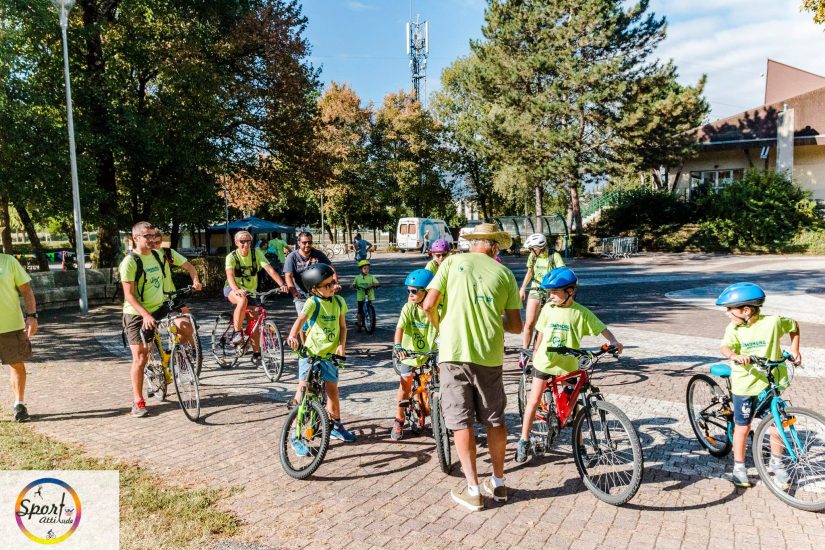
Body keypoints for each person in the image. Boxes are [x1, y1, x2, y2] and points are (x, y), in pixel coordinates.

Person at [422, 223, 523, 511]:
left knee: (461, 421)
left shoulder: (451, 263)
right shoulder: (505, 274)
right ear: (495, 246)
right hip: (489, 355)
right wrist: (492, 317)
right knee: (494, 419)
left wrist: (441, 327)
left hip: (453, 353)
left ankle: (473, 489)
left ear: (473, 242)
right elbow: (516, 325)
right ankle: (499, 483)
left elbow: (428, 305)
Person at [514, 267, 623, 464]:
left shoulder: (580, 312)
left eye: (555, 292)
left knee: (575, 407)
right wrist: (536, 351)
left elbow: (601, 328)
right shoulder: (548, 309)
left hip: (569, 365)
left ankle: (580, 446)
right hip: (545, 362)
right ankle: (523, 440)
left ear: (570, 291)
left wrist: (614, 341)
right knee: (534, 400)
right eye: (550, 292)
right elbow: (540, 333)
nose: (551, 296)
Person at [715, 282, 801, 488]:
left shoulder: (773, 322)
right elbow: (725, 347)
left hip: (769, 383)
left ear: (746, 310)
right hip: (744, 385)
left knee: (776, 424)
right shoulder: (733, 328)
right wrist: (735, 356)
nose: (727, 313)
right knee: (743, 427)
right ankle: (739, 468)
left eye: (730, 309)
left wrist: (795, 349)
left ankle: (777, 463)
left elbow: (794, 326)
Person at [285, 263, 357, 443]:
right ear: (314, 289)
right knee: (302, 390)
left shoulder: (339, 302)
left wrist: (341, 346)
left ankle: (336, 426)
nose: (333, 287)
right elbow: (301, 320)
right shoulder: (312, 302)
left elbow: (343, 327)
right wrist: (292, 335)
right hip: (311, 354)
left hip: (330, 355)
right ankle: (295, 433)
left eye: (333, 282)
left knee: (333, 392)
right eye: (327, 285)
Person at [119, 222, 177, 417]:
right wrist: (145, 315)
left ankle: (177, 365)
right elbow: (129, 295)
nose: (152, 240)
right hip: (136, 314)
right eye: (147, 236)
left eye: (153, 235)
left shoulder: (157, 255)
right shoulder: (130, 262)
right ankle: (138, 401)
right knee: (140, 358)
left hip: (158, 308)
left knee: (184, 324)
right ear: (136, 238)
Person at [225, 231, 288, 358]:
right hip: (232, 289)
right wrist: (236, 289)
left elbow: (269, 269)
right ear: (236, 243)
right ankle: (237, 333)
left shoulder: (256, 253)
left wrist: (282, 284)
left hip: (251, 291)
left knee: (255, 322)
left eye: (248, 241)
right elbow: (230, 275)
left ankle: (257, 353)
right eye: (242, 242)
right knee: (242, 300)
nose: (245, 244)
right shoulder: (231, 256)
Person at [391, 269, 438, 441]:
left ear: (427, 292)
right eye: (408, 290)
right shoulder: (408, 307)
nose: (410, 294)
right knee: (405, 385)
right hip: (410, 352)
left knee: (443, 380)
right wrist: (398, 346)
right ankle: (399, 420)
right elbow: (400, 328)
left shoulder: (436, 307)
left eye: (414, 291)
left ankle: (441, 415)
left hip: (431, 350)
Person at [0, 253, 38, 422]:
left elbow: (26, 290)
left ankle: (19, 404)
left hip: (11, 326)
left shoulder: (8, 261)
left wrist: (32, 316)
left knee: (16, 364)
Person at [151, 235, 202, 350]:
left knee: (188, 325)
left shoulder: (168, 253)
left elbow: (190, 267)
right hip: (151, 301)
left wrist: (196, 281)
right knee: (148, 337)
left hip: (170, 298)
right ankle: (151, 360)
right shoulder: (142, 257)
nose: (154, 245)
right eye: (151, 243)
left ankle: (191, 351)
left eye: (157, 242)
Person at [519, 233, 565, 350]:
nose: (530, 250)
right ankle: (524, 351)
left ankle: (539, 350)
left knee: (545, 325)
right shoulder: (533, 256)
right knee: (529, 323)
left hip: (551, 292)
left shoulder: (554, 256)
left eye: (532, 248)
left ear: (540, 247)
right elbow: (530, 272)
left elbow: (562, 273)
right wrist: (523, 288)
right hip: (535, 289)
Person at [283, 232, 336, 315]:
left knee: (321, 319)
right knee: (304, 321)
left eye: (310, 242)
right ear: (299, 243)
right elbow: (288, 276)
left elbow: (331, 268)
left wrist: (335, 283)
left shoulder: (318, 254)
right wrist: (294, 292)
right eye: (304, 242)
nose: (307, 245)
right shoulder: (292, 257)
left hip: (320, 294)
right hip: (301, 296)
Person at [351, 260, 380, 331]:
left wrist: (373, 284)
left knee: (370, 308)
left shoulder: (371, 277)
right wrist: (354, 286)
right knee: (360, 311)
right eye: (365, 268)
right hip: (361, 297)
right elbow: (352, 285)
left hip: (369, 296)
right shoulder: (358, 277)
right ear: (361, 269)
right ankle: (359, 324)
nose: (367, 270)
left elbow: (378, 283)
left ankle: (372, 322)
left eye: (368, 268)